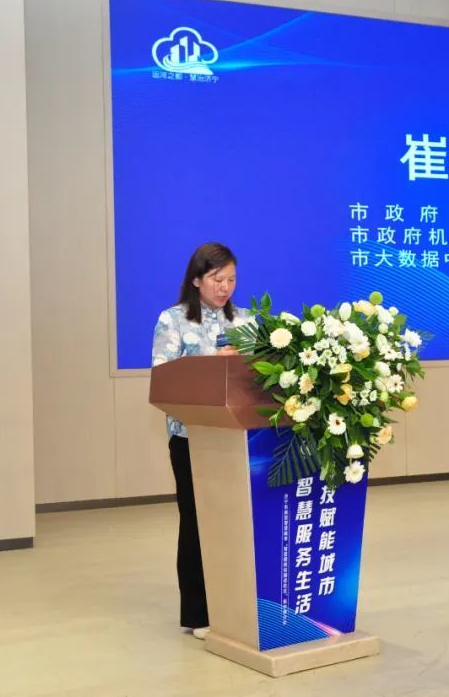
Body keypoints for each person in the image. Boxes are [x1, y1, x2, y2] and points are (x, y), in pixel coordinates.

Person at [151, 242, 249, 639]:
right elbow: (164, 376)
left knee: (235, 522)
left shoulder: (245, 320)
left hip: (237, 437)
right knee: (196, 522)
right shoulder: (173, 320)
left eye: (231, 280)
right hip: (190, 438)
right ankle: (198, 613)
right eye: (216, 279)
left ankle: (237, 606)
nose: (225, 287)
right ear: (196, 280)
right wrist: (213, 363)